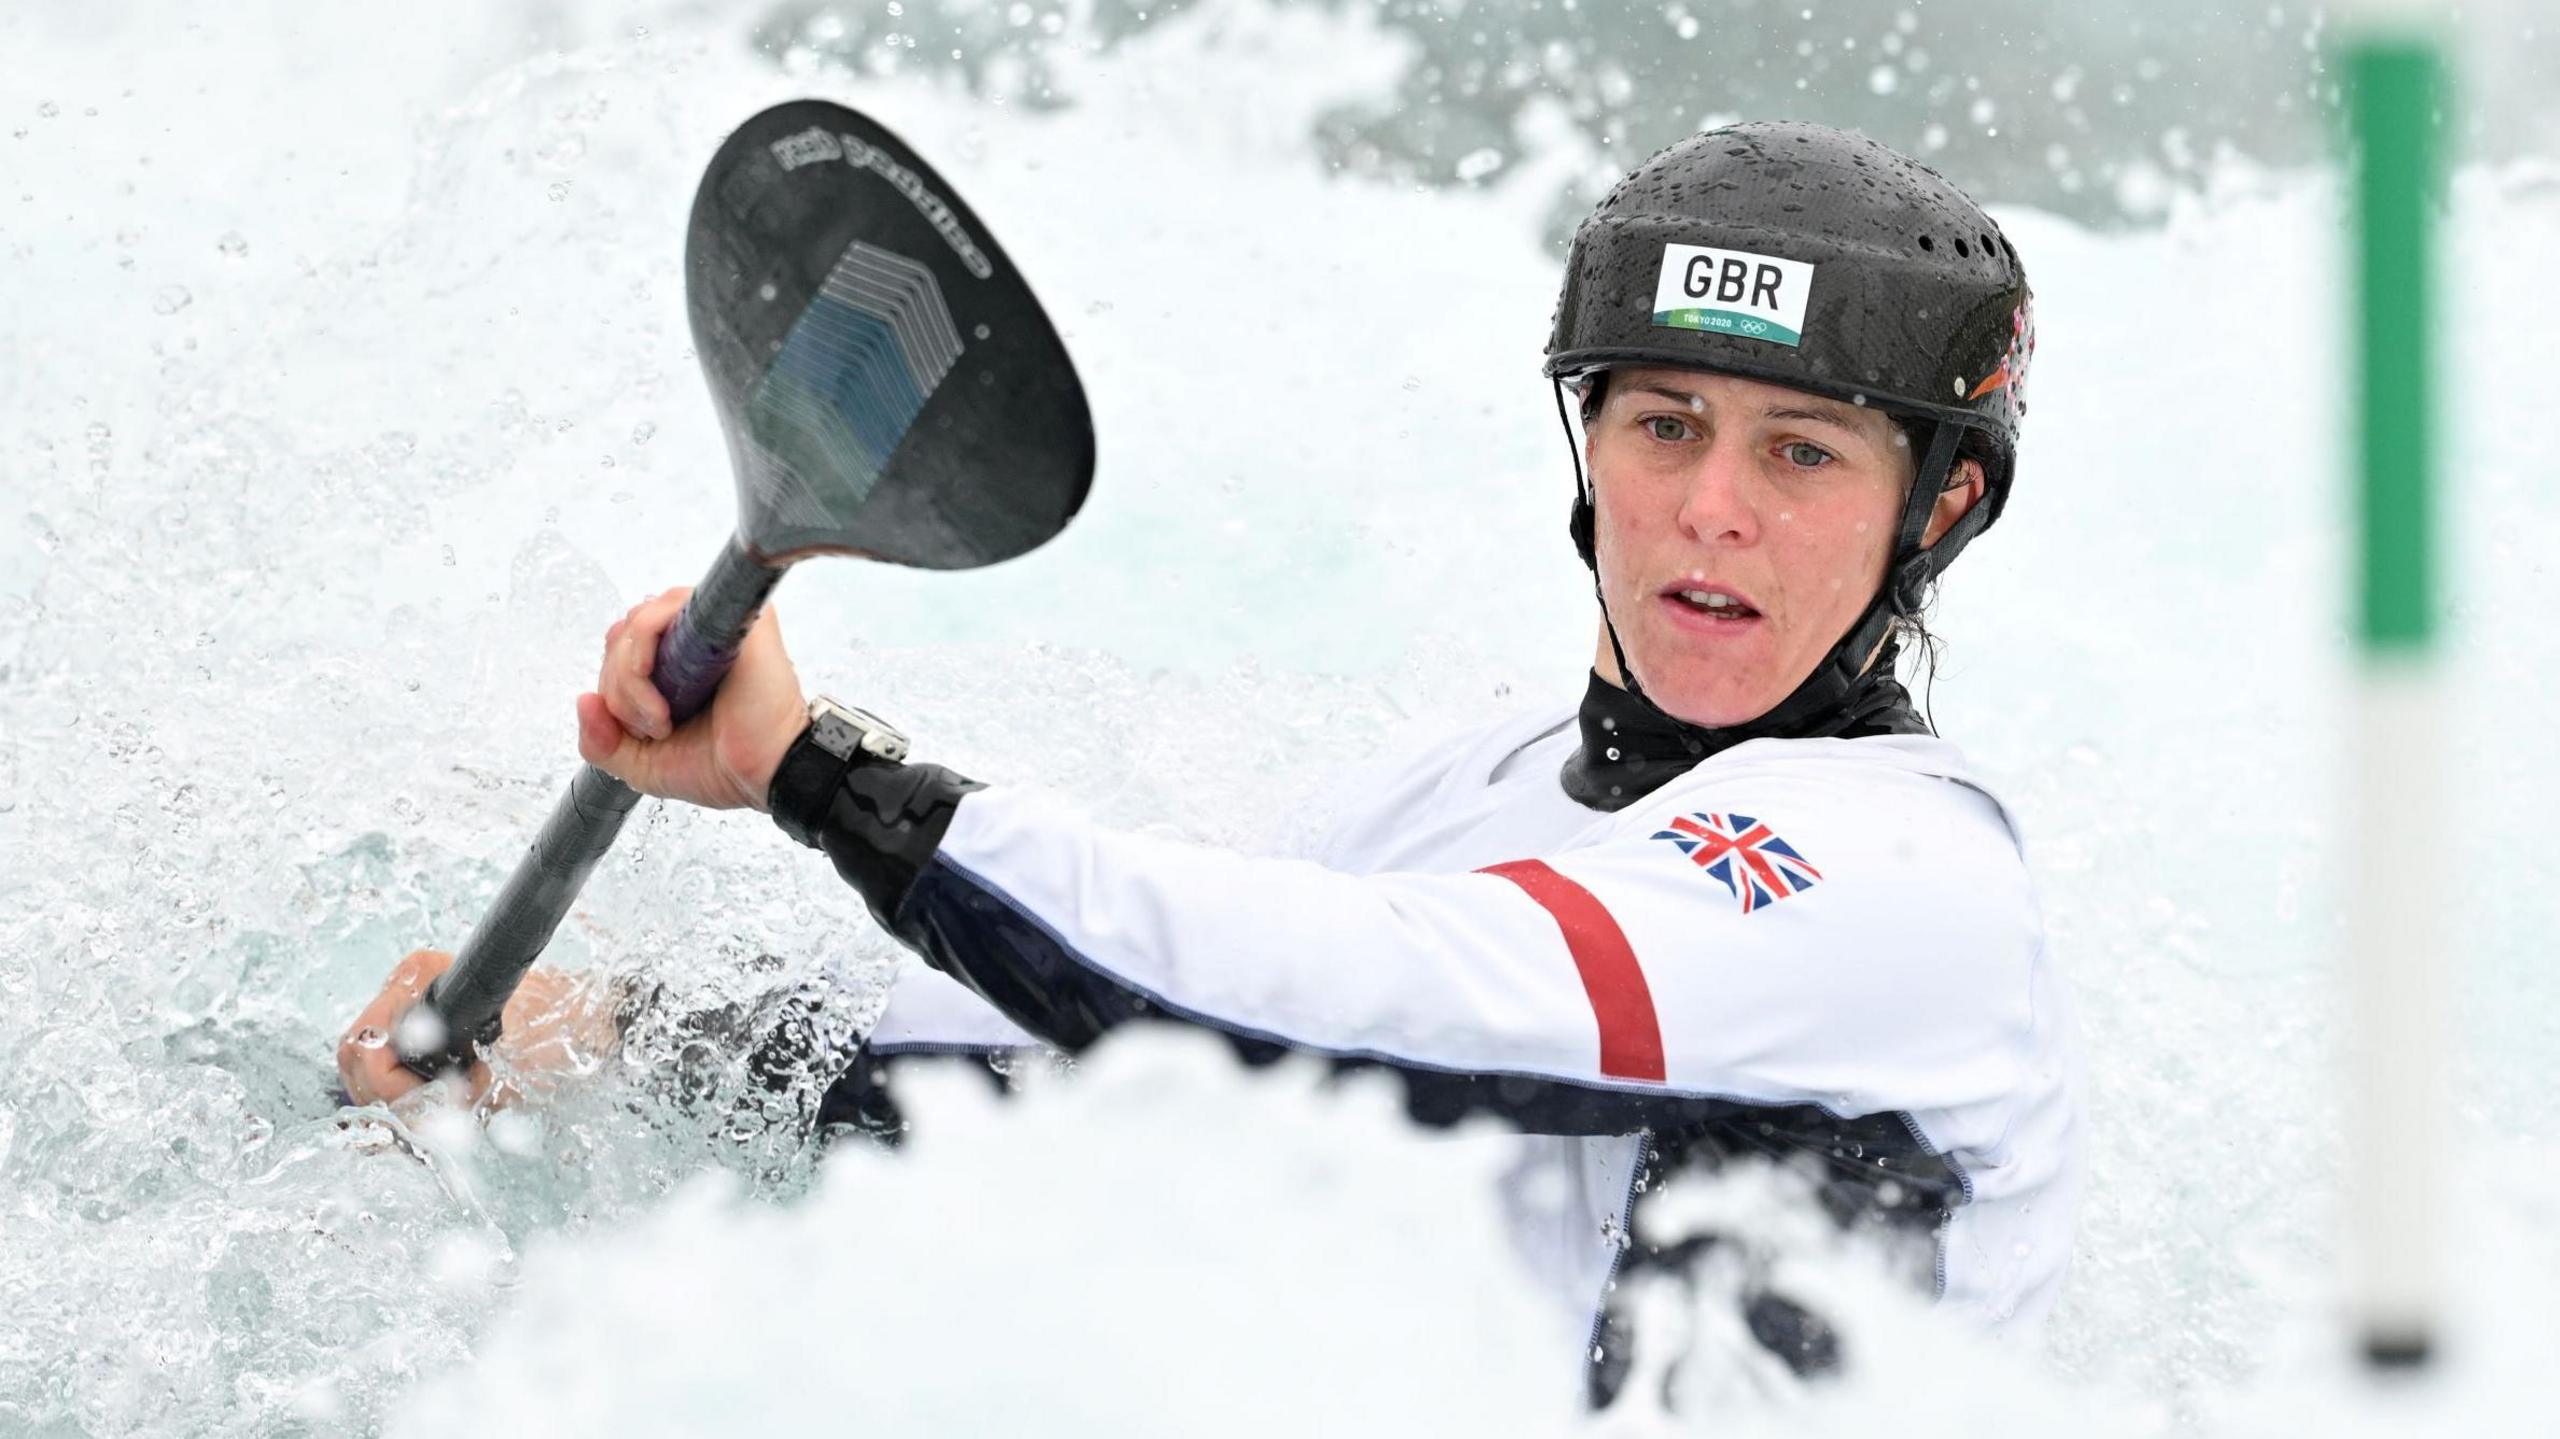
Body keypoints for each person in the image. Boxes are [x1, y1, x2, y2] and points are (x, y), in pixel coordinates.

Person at [341, 120, 2082, 1403]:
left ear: (1934, 509)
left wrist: (825, 776)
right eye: (1665, 425)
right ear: (1590, 445)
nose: (1712, 507)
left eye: (1801, 455)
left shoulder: (1911, 881)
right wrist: (608, 1041)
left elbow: (1368, 1000)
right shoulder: (1453, 797)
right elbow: (1119, 1060)